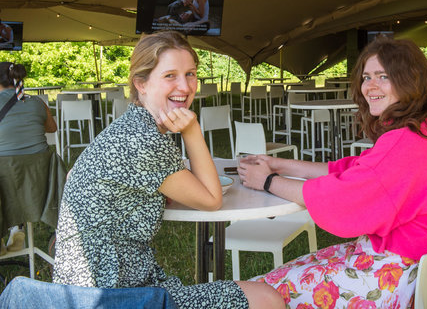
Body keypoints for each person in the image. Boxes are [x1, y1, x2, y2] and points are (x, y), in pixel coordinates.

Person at [52, 31, 285, 309]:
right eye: (170, 76)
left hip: (82, 288)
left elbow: (73, 175)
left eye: (190, 74)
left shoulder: (130, 126)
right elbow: (212, 200)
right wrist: (192, 130)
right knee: (267, 298)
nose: (185, 87)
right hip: (113, 297)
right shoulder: (145, 139)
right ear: (141, 83)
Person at [238, 38, 427, 308]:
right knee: (270, 280)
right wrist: (281, 164)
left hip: (386, 273)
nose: (370, 86)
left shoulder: (405, 142)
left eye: (383, 76)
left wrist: (268, 181)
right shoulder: (421, 130)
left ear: (410, 80)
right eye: (367, 77)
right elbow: (352, 169)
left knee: (263, 292)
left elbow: (339, 198)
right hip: (399, 260)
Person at [0, 62, 57, 254]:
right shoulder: (37, 102)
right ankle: (18, 227)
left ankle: (8, 230)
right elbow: (52, 128)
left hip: (7, 183)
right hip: (40, 185)